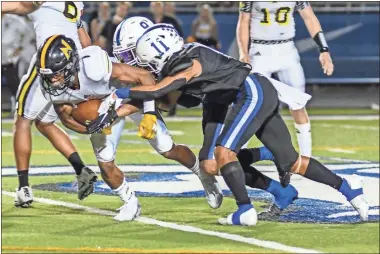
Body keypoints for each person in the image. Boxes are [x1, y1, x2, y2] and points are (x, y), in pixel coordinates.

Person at [89, 24, 368, 225]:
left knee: (225, 156)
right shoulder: (177, 59)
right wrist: (118, 110)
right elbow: (171, 99)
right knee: (224, 163)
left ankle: (245, 210)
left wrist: (119, 95)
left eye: (133, 54)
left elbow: (161, 90)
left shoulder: (187, 60)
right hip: (223, 101)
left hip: (248, 94)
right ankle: (345, 188)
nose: (132, 61)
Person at [112, 16, 223, 209]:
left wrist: (116, 112)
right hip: (150, 95)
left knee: (215, 160)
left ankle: (205, 175)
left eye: (129, 56)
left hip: (205, 97)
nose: (125, 62)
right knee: (166, 148)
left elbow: (163, 101)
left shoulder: (169, 61)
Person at [13, 2, 95, 208]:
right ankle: (81, 169)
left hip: (51, 65)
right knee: (44, 123)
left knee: (23, 120)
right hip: (73, 64)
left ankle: (23, 188)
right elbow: (86, 40)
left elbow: (11, 6)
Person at [237, 1, 334, 158]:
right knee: (251, 105)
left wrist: (324, 49)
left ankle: (306, 159)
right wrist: (243, 52)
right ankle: (234, 156)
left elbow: (309, 17)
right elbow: (243, 21)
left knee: (298, 104)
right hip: (260, 52)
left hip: (287, 51)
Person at [2, 14, 27, 115]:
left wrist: (19, 49)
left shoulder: (15, 19)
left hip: (9, 56)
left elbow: (26, 34)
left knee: (13, 82)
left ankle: (17, 106)